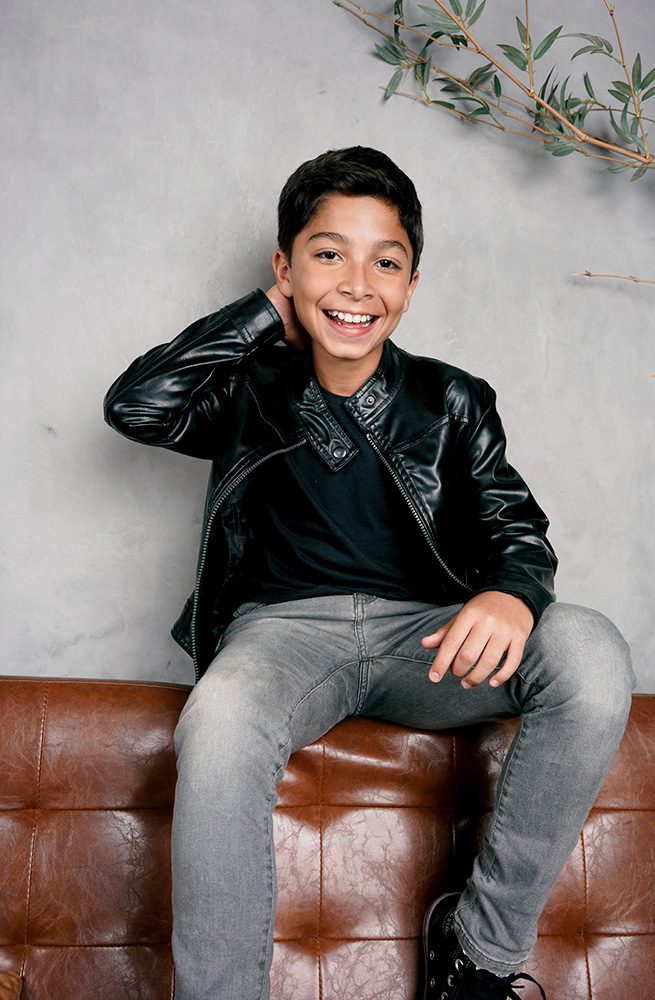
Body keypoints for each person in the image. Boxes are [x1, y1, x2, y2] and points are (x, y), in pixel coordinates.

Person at [104, 146, 634, 1000]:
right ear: (284, 269)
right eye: (327, 255)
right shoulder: (247, 389)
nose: (357, 284)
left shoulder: (451, 398)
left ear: (411, 284)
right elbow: (137, 406)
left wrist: (510, 594)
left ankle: (479, 955)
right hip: (282, 637)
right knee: (222, 719)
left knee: (590, 649)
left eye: (385, 263)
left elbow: (515, 527)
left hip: (425, 639)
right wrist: (260, 316)